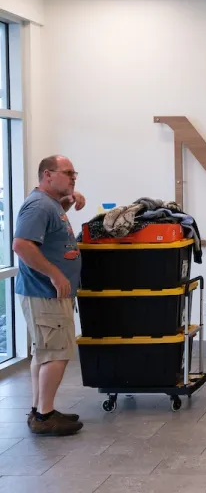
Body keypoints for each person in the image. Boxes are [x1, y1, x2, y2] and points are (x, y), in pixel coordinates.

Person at [12, 155, 86, 436]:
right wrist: (55, 274)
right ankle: (44, 417)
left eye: (74, 172)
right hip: (45, 292)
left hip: (47, 294)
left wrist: (67, 200)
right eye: (68, 173)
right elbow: (21, 245)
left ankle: (42, 409)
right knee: (57, 353)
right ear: (47, 175)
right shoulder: (39, 206)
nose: (73, 177)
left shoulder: (50, 204)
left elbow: (49, 233)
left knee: (45, 353)